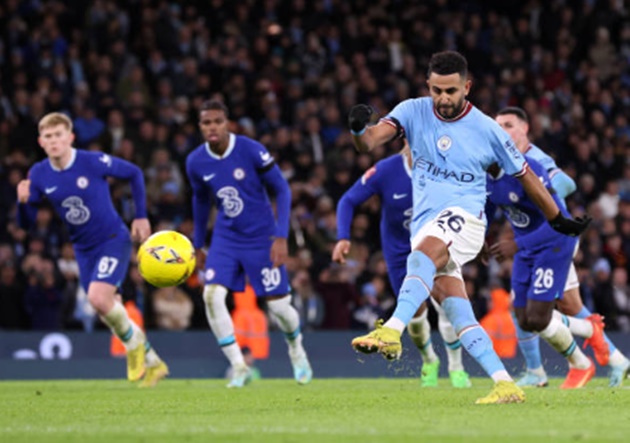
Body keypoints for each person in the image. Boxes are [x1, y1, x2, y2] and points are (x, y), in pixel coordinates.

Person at [347, 51, 590, 404]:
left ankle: (392, 330)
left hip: (466, 217)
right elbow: (369, 141)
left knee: (420, 258)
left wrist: (557, 218)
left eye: (451, 91)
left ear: (467, 87)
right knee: (456, 308)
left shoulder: (488, 129)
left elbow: (527, 176)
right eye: (437, 90)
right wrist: (357, 128)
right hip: (427, 222)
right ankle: (504, 383)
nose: (443, 99)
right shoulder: (412, 111)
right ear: (428, 86)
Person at [16, 112, 168, 387]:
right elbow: (26, 224)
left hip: (112, 238)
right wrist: (23, 201)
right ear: (41, 141)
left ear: (70, 137)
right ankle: (154, 362)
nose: (54, 141)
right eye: (48, 137)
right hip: (83, 249)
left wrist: (141, 215)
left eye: (59, 135)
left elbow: (133, 172)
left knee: (99, 298)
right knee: (109, 309)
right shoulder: (38, 173)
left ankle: (133, 348)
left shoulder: (92, 161)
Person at [493, 106, 630, 387]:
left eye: (508, 125)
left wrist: (540, 189)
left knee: (544, 309)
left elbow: (567, 183)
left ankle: (547, 369)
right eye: (498, 126)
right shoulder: (503, 159)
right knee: (564, 305)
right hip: (535, 240)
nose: (502, 131)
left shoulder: (535, 158)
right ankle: (614, 360)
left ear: (525, 128)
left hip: (554, 237)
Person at [186, 100, 312, 388]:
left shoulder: (251, 150)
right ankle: (238, 366)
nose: (212, 127)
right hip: (226, 238)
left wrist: (281, 237)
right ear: (200, 127)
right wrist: (198, 243)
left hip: (262, 238)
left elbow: (281, 188)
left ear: (227, 123)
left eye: (217, 121)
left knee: (280, 309)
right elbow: (201, 200)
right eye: (206, 123)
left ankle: (297, 349)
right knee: (211, 296)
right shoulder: (195, 161)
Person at [332, 145, 471, 388]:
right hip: (400, 254)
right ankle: (429, 360)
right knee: (415, 315)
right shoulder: (386, 171)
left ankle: (457, 367)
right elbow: (348, 200)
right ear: (405, 142)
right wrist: (343, 237)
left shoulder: (447, 169)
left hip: (436, 246)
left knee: (448, 305)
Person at [486, 157, 608, 389]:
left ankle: (581, 365)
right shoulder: (485, 176)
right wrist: (482, 235)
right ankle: (589, 328)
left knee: (539, 318)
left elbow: (557, 219)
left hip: (554, 243)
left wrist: (516, 245)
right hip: (526, 247)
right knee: (523, 319)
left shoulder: (525, 169)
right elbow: (489, 203)